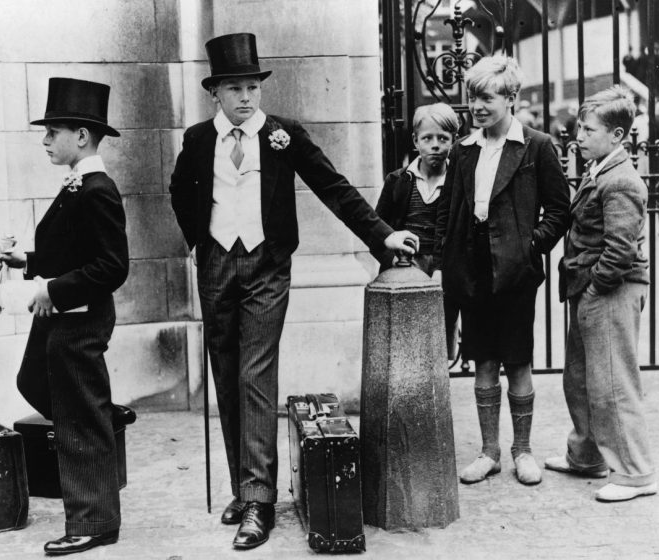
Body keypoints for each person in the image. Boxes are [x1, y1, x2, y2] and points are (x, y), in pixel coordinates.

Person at [169, 33, 418, 550]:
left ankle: (259, 501)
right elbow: (178, 191)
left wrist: (382, 235)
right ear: (215, 92)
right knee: (226, 372)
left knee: (256, 373)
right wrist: (199, 240)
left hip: (266, 266)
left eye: (252, 87)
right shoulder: (197, 140)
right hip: (216, 264)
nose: (245, 97)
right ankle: (245, 483)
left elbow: (334, 188)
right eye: (233, 87)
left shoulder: (283, 134)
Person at [0, 77, 129, 555]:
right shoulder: (76, 185)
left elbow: (112, 267)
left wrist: (50, 288)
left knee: (75, 415)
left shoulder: (97, 190)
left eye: (53, 131)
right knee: (33, 382)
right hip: (61, 315)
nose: (45, 140)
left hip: (80, 318)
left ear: (82, 137)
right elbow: (70, 250)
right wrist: (26, 264)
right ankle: (105, 416)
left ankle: (94, 521)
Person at [433, 55, 570, 486]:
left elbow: (559, 210)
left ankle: (522, 450)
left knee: (518, 361)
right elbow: (449, 212)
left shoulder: (536, 146)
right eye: (473, 96)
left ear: (511, 98)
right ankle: (489, 451)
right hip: (471, 268)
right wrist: (445, 260)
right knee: (484, 362)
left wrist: (531, 246)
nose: (477, 105)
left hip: (514, 272)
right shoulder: (463, 150)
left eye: (487, 97)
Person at [545, 86, 656, 502]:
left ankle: (635, 473)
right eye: (580, 128)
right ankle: (587, 456)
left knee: (612, 382)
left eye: (588, 130)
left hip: (610, 290)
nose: (579, 136)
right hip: (593, 288)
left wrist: (595, 289)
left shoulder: (621, 181)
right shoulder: (601, 170)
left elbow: (621, 248)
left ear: (616, 136)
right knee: (581, 377)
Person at [374, 102, 460, 358]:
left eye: (443, 138)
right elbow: (378, 230)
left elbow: (458, 233)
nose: (435, 145)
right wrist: (393, 263)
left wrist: (443, 269)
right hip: (403, 269)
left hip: (442, 273)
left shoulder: (457, 182)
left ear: (453, 140)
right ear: (415, 140)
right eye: (427, 138)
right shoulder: (398, 181)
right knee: (403, 343)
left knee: (438, 347)